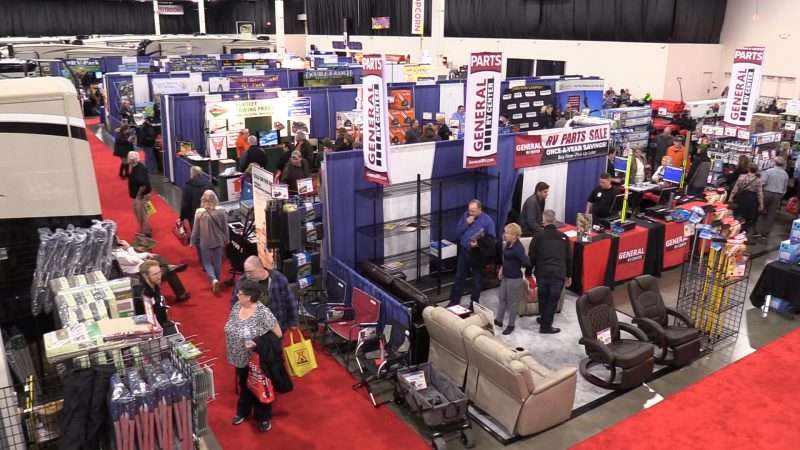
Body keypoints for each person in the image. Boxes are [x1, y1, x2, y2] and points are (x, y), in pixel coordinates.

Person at [224, 279, 282, 433]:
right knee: (244, 384)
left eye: (240, 294)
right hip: (239, 356)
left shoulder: (263, 313)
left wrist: (256, 342)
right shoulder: (238, 306)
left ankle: (263, 417)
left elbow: (278, 334)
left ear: (249, 297)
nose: (237, 295)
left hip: (257, 358)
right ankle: (243, 411)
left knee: (260, 386)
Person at [447, 200, 497, 310]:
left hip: (477, 255)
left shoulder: (488, 221)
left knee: (477, 281)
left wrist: (478, 244)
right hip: (464, 251)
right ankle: (454, 301)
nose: (470, 213)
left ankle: (474, 305)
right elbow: (457, 232)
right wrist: (466, 223)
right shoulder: (466, 216)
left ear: (480, 209)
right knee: (459, 277)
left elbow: (492, 241)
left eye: (473, 211)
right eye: (469, 210)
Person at [529, 210, 572, 334]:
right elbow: (569, 258)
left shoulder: (538, 237)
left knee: (543, 298)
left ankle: (544, 320)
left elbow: (532, 256)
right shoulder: (564, 238)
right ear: (554, 221)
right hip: (558, 274)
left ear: (544, 221)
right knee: (552, 300)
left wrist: (528, 272)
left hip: (542, 273)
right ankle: (546, 325)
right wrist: (569, 275)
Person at [231, 255, 298, 332]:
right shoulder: (242, 282)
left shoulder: (278, 278)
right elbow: (235, 303)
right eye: (246, 272)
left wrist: (293, 321)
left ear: (260, 268)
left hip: (277, 325)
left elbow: (290, 300)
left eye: (250, 272)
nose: (247, 275)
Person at [113, 239, 190, 302]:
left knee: (156, 257)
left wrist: (146, 254)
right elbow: (135, 260)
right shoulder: (117, 255)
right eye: (117, 238)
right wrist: (129, 248)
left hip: (143, 265)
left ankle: (169, 267)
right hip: (140, 273)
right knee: (169, 271)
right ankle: (181, 294)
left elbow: (135, 256)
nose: (120, 240)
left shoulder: (119, 250)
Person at [191, 190, 229, 295]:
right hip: (218, 240)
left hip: (205, 241)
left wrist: (192, 241)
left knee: (207, 262)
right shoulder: (221, 211)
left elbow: (196, 230)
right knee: (218, 261)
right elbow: (225, 227)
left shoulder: (199, 212)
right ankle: (217, 279)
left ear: (203, 199)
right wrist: (227, 238)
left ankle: (213, 280)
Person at [495, 223, 530, 335]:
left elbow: (527, 262)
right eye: (505, 232)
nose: (505, 234)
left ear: (515, 235)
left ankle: (511, 325)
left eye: (507, 233)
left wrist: (522, 263)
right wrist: (501, 270)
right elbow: (506, 259)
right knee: (502, 298)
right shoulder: (508, 244)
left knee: (512, 303)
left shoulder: (518, 248)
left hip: (514, 279)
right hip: (506, 276)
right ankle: (498, 320)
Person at [133, 260, 176, 335]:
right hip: (149, 329)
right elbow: (146, 320)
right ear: (145, 276)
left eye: (160, 272)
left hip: (160, 322)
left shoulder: (154, 285)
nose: (159, 276)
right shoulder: (142, 295)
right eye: (155, 274)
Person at [757, 156, 789, 238]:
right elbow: (785, 188)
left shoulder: (768, 171)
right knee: (771, 214)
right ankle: (765, 233)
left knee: (761, 211)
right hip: (778, 195)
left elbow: (762, 183)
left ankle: (757, 231)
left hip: (767, 192)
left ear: (774, 163)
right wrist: (781, 195)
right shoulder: (785, 174)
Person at [730, 164, 764, 235]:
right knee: (747, 218)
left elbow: (735, 188)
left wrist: (731, 197)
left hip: (741, 197)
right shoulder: (758, 180)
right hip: (751, 199)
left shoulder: (742, 177)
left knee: (738, 214)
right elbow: (759, 193)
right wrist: (761, 204)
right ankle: (742, 233)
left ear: (748, 169)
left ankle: (734, 231)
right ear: (756, 170)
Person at [127, 151, 152, 237]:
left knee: (142, 214)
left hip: (141, 196)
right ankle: (147, 229)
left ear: (131, 159)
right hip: (140, 195)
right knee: (142, 213)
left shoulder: (139, 169)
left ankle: (145, 232)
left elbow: (144, 184)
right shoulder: (135, 166)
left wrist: (138, 195)